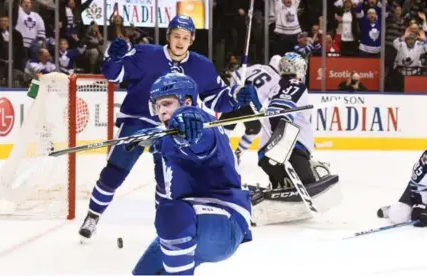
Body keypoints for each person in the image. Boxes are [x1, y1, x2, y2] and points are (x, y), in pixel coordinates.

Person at [79, 15, 260, 240]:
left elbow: (216, 99)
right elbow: (114, 75)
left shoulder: (201, 66)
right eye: (176, 36)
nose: (180, 42)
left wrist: (236, 96)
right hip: (138, 120)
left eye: (185, 37)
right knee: (114, 173)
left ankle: (164, 227)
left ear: (191, 40)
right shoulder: (146, 54)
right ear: (168, 36)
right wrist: (113, 58)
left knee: (167, 181)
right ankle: (93, 216)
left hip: (173, 129)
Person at [129, 73, 252, 275]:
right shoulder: (170, 137)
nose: (161, 112)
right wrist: (155, 141)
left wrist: (186, 117)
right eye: (158, 106)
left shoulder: (200, 124)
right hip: (199, 222)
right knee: (143, 272)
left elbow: (198, 140)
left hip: (223, 220)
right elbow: (173, 145)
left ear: (187, 101)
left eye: (167, 104)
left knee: (171, 212)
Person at [250, 52, 341, 226]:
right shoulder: (295, 84)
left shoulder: (276, 86)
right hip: (290, 150)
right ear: (299, 69)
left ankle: (274, 196)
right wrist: (282, 141)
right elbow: (280, 111)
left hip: (266, 154)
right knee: (309, 181)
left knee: (282, 187)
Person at [219, 55, 282, 163]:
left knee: (224, 128)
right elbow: (270, 100)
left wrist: (235, 91)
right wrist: (261, 108)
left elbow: (235, 75)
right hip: (250, 106)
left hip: (236, 99)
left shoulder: (258, 66)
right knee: (254, 129)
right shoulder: (278, 79)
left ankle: (218, 152)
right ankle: (238, 153)